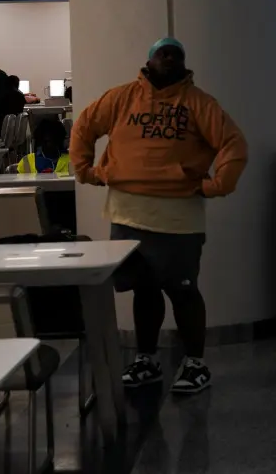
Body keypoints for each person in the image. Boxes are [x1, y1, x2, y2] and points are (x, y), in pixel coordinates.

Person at [71, 37, 247, 394]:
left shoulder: (199, 104)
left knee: (183, 291)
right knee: (143, 289)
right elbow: (84, 126)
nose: (168, 56)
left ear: (183, 64)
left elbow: (233, 144)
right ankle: (146, 359)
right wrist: (85, 170)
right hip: (127, 213)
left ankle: (195, 363)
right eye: (161, 52)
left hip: (178, 218)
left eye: (175, 53)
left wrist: (216, 185)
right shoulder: (121, 98)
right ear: (148, 61)